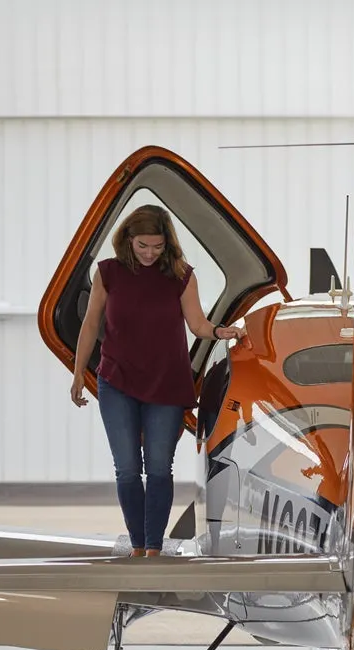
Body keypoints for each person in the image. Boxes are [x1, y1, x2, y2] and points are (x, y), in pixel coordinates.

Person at [69, 205, 245, 558]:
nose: (150, 253)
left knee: (160, 466)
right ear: (127, 241)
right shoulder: (108, 273)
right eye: (143, 246)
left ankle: (153, 548)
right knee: (128, 469)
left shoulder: (181, 275)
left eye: (157, 247)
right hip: (116, 380)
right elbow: (90, 326)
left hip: (166, 382)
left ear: (168, 244)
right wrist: (77, 375)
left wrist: (221, 331)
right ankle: (137, 545)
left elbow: (197, 324)